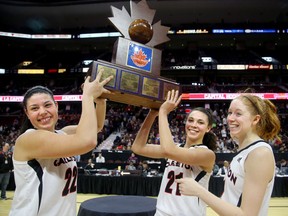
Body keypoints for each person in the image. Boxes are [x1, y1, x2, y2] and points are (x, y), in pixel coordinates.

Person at [9, 70, 113, 216]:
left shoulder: (63, 133)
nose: (42, 112)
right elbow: (87, 141)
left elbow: (96, 127)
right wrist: (88, 96)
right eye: (34, 108)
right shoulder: (29, 139)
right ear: (27, 113)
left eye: (47, 105)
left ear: (56, 106)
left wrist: (100, 101)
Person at [176, 92, 281, 216]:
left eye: (238, 113)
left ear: (255, 119)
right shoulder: (244, 152)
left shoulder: (259, 153)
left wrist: (199, 191)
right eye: (230, 112)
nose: (230, 118)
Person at [132, 90, 217, 216]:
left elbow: (168, 150)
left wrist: (163, 112)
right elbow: (138, 147)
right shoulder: (176, 148)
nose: (194, 125)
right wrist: (152, 114)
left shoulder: (207, 154)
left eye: (200, 122)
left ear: (208, 128)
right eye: (191, 120)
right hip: (161, 213)